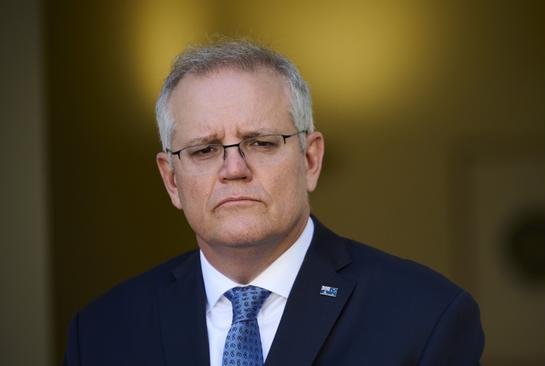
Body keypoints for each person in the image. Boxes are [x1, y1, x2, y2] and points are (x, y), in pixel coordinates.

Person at [63, 40, 484, 366]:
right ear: (171, 179)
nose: (234, 169)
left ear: (311, 159)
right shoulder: (102, 332)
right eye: (205, 150)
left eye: (261, 143)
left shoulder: (424, 316)